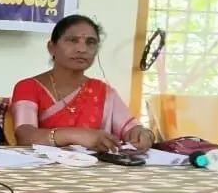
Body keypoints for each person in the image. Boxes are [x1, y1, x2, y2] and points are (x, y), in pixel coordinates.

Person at [10, 15, 155, 152]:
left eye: (90, 42)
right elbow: (25, 136)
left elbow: (131, 129)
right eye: (72, 40)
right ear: (51, 47)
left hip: (94, 173)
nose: (82, 49)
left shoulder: (103, 91)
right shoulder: (28, 87)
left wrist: (142, 134)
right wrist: (77, 135)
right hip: (41, 171)